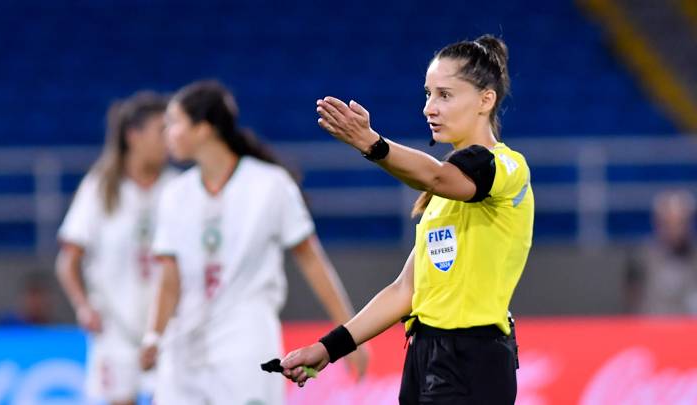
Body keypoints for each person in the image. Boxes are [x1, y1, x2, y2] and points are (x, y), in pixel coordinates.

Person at [280, 35, 533, 405]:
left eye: (445, 95)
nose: (430, 108)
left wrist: (372, 144)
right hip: (425, 355)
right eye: (428, 94)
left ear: (486, 99)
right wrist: (327, 348)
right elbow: (405, 292)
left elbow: (437, 176)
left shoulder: (509, 169)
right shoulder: (440, 202)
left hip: (473, 359)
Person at [140, 79, 369, 405]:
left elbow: (311, 260)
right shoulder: (175, 194)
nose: (167, 134)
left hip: (246, 342)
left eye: (174, 123)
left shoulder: (270, 185)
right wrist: (154, 335)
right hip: (185, 346)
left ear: (203, 129)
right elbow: (169, 281)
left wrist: (347, 336)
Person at [55, 91, 175, 405]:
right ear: (133, 136)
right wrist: (83, 306)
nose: (170, 138)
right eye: (161, 130)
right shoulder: (100, 188)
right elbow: (67, 261)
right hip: (115, 328)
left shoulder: (178, 188)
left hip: (168, 328)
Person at [625, 189, 697, 314]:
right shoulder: (641, 258)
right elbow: (632, 302)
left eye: (680, 222)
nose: (674, 229)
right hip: (651, 328)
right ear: (657, 222)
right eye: (669, 222)